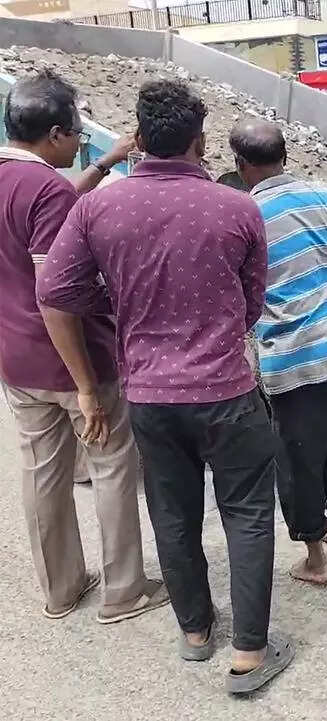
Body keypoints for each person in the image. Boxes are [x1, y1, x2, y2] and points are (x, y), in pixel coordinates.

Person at [37, 79, 293, 694]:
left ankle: (196, 632)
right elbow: (253, 303)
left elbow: (55, 290)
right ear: (200, 143)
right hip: (226, 389)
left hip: (150, 396)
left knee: (172, 513)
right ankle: (251, 653)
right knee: (249, 514)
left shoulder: (100, 207)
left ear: (140, 141)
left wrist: (119, 301)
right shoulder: (239, 209)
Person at [0, 70, 168, 623]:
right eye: (77, 134)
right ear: (54, 134)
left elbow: (44, 221)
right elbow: (57, 296)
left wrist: (103, 163)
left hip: (16, 360)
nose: (80, 143)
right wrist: (87, 388)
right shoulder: (44, 188)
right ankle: (124, 590)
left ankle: (61, 589)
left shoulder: (16, 182)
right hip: (73, 361)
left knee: (41, 472)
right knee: (113, 464)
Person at [229, 118, 327, 587]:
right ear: (286, 156)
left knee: (297, 458)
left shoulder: (245, 214)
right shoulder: (326, 195)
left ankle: (314, 560)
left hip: (295, 359)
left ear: (240, 164)